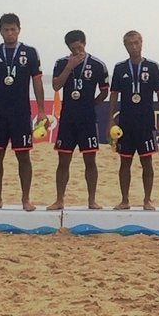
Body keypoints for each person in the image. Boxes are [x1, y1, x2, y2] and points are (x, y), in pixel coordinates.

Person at [0, 13, 48, 212]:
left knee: (23, 156)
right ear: (0, 31)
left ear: (19, 30)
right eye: (6, 30)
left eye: (13, 29)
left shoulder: (30, 52)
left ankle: (26, 199)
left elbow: (37, 82)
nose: (10, 33)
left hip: (20, 111)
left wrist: (42, 111)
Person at [47, 30, 109, 211]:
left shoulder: (98, 65)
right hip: (67, 119)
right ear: (68, 48)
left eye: (79, 47)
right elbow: (56, 86)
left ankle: (92, 200)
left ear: (85, 43)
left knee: (90, 160)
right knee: (63, 160)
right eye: (73, 49)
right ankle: (59, 200)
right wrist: (69, 67)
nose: (77, 51)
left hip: (87, 119)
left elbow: (104, 90)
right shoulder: (61, 63)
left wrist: (91, 104)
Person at [108, 30, 159, 210]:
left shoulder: (153, 67)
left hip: (146, 122)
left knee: (146, 162)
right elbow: (114, 95)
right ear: (125, 46)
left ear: (142, 43)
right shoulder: (120, 68)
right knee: (125, 162)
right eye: (130, 44)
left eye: (136, 43)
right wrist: (110, 119)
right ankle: (125, 200)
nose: (134, 47)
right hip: (126, 122)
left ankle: (147, 199)